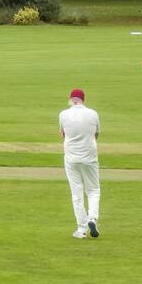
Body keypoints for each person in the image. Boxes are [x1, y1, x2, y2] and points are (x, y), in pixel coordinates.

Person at [59, 89, 101, 239]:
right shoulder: (93, 114)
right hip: (89, 157)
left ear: (71, 99)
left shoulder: (63, 114)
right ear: (83, 100)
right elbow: (96, 135)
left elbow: (62, 134)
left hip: (71, 158)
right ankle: (92, 218)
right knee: (93, 190)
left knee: (76, 193)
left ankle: (81, 229)